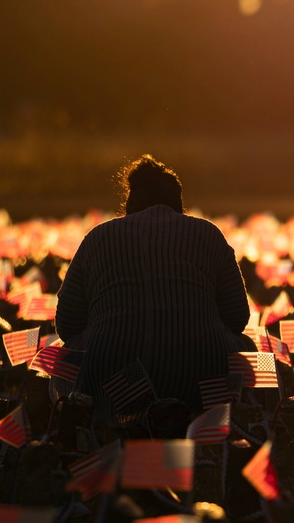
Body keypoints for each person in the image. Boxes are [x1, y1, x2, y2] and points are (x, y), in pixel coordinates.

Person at [55, 154, 256, 426]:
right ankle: (222, 439)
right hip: (200, 378)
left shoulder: (98, 237)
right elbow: (236, 317)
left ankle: (90, 434)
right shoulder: (207, 233)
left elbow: (68, 323)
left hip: (109, 377)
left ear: (129, 202)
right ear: (178, 203)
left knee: (63, 353)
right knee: (247, 346)